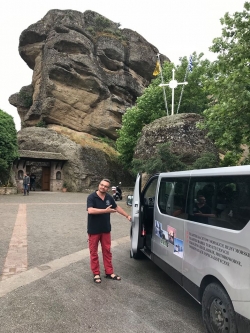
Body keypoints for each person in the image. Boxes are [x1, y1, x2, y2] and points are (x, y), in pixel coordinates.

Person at [87, 178, 131, 284]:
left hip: (106, 229)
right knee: (94, 252)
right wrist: (105, 211)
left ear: (108, 188)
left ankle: (109, 272)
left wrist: (127, 215)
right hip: (94, 230)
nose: (103, 187)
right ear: (99, 185)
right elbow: (90, 210)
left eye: (106, 186)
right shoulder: (91, 197)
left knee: (107, 251)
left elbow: (116, 207)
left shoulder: (108, 197)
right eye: (102, 185)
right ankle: (96, 273)